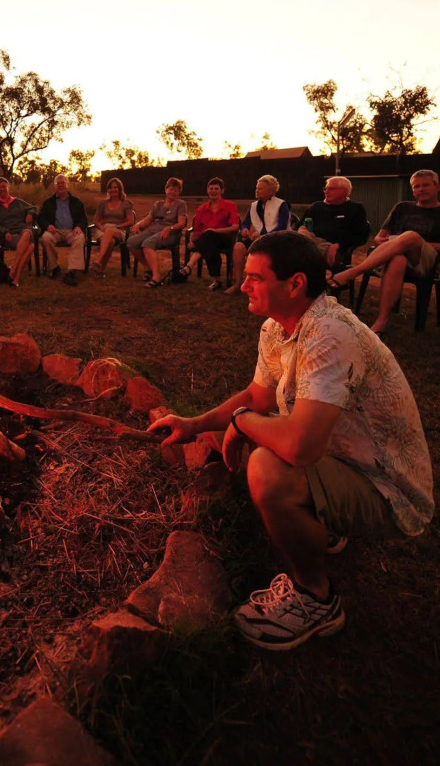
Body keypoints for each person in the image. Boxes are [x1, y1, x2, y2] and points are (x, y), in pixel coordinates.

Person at [150, 231, 433, 651]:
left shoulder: (331, 334)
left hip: (387, 488)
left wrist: (243, 424)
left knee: (267, 467)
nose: (243, 285)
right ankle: (322, 520)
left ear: (295, 284)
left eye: (254, 278)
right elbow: (257, 397)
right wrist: (195, 424)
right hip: (342, 459)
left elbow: (298, 445)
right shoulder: (278, 327)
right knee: (252, 435)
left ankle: (316, 597)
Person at [328, 169, 440, 335]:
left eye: (425, 185)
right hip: (392, 257)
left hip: (427, 261)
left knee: (410, 236)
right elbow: (379, 239)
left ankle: (354, 271)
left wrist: (411, 242)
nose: (421, 189)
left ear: (437, 187)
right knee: (398, 259)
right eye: (416, 186)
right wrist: (397, 244)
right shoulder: (402, 208)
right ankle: (382, 320)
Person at [225, 175, 290, 294]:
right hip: (258, 239)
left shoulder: (281, 205)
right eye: (256, 188)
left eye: (260, 188)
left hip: (276, 239)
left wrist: (264, 237)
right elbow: (245, 223)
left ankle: (264, 285)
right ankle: (238, 283)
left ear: (271, 191)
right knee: (238, 247)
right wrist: (244, 230)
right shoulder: (254, 206)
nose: (257, 190)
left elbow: (282, 227)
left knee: (261, 250)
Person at [179, 177, 239, 289]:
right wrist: (193, 240)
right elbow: (197, 229)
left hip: (224, 239)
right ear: (207, 190)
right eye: (211, 188)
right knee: (209, 244)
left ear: (222, 190)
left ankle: (189, 266)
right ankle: (217, 280)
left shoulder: (230, 206)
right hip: (207, 241)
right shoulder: (202, 208)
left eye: (216, 188)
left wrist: (213, 231)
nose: (213, 191)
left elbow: (235, 227)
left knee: (209, 234)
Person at [127, 177, 187, 288]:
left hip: (170, 233)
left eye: (176, 190)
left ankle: (156, 277)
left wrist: (169, 229)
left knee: (148, 244)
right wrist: (138, 225)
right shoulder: (157, 204)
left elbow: (181, 223)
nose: (173, 192)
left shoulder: (180, 204)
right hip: (153, 230)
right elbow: (148, 220)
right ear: (166, 189)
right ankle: (148, 268)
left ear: (179, 192)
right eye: (171, 189)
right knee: (131, 242)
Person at [298, 176, 369, 268]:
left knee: (301, 255)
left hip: (336, 251)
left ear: (344, 191)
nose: (326, 192)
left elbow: (361, 236)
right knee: (302, 234)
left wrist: (338, 245)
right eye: (325, 189)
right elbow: (299, 227)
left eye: (331, 189)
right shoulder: (316, 207)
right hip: (310, 245)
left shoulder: (355, 209)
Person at [39, 174, 89, 286]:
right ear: (55, 186)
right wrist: (47, 226)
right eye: (58, 183)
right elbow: (41, 218)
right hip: (55, 231)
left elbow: (83, 219)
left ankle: (71, 272)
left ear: (68, 185)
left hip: (72, 231)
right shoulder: (48, 202)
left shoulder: (77, 202)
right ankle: (55, 268)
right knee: (45, 238)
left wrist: (79, 227)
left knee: (80, 238)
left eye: (63, 183)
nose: (61, 185)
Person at [0, 177, 36, 287]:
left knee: (27, 233)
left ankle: (13, 270)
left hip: (22, 230)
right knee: (30, 246)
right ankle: (16, 278)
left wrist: (30, 213)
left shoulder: (17, 202)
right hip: (8, 236)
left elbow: (32, 207)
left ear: (9, 187)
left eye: (3, 186)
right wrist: (4, 232)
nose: (1, 189)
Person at [91, 177, 134, 276]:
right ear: (108, 190)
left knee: (110, 231)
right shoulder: (103, 204)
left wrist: (118, 226)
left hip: (119, 230)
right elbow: (96, 220)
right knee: (110, 242)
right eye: (110, 188)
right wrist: (101, 227)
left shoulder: (126, 204)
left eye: (115, 187)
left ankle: (98, 261)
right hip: (103, 229)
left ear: (119, 189)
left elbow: (130, 221)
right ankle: (101, 270)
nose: (113, 190)